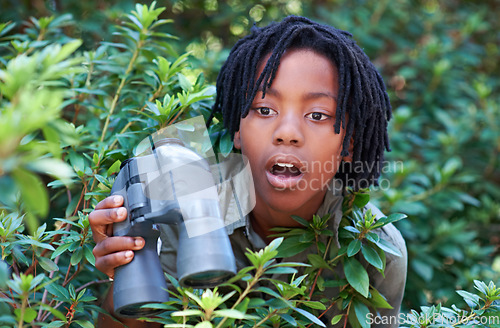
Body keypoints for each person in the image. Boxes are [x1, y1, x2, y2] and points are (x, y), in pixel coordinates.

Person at [89, 16, 407, 327]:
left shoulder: (378, 250)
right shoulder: (185, 192)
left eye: (317, 115)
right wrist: (124, 267)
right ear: (237, 129)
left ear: (349, 144)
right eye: (264, 109)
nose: (287, 132)